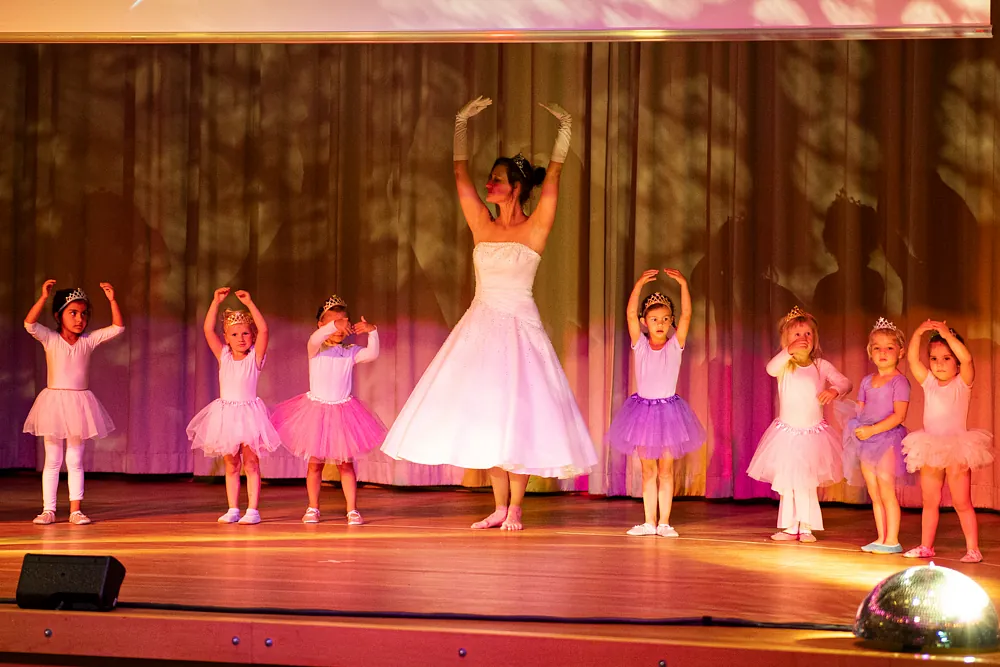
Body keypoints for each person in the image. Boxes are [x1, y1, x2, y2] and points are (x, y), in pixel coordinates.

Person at [381, 96, 597, 531]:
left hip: (520, 326)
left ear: (515, 187)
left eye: (496, 180)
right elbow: (459, 175)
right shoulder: (482, 224)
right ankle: (499, 505)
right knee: (488, 416)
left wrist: (565, 132)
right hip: (481, 327)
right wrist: (459, 124)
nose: (488, 185)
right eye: (489, 179)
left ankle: (516, 506)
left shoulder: (534, 228)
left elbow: (553, 177)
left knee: (519, 415)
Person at [606, 269, 705, 537]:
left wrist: (683, 284)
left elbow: (687, 315)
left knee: (666, 470)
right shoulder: (639, 344)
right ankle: (649, 521)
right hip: (643, 414)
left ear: (671, 322)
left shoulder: (676, 345)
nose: (659, 324)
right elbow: (628, 315)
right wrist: (638, 285)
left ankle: (664, 522)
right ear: (644, 322)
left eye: (664, 319)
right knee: (648, 470)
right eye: (653, 319)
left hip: (669, 414)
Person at [271, 295, 385, 525]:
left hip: (343, 412)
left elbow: (372, 354)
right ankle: (313, 507)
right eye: (334, 323)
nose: (340, 327)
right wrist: (335, 324)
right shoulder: (315, 348)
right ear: (321, 325)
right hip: (316, 412)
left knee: (346, 463)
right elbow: (317, 337)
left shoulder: (349, 352)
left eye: (345, 322)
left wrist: (372, 332)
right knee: (315, 463)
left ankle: (352, 509)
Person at [24, 280, 124, 525]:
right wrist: (43, 298)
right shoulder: (50, 339)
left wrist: (112, 301)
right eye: (73, 313)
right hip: (54, 403)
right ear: (59, 316)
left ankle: (76, 510)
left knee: (75, 459)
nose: (80, 319)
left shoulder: (88, 341)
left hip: (79, 403)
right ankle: (48, 509)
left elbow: (118, 328)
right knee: (53, 459)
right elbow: (29, 324)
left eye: (83, 314)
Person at [747, 306, 850, 542]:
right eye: (796, 335)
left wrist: (834, 390)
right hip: (787, 434)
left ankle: (806, 527)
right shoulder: (784, 364)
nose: (803, 339)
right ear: (786, 339)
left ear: (815, 339)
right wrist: (787, 352)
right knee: (789, 480)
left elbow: (845, 382)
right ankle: (790, 526)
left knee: (806, 480)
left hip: (812, 435)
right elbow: (770, 369)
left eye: (808, 335)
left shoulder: (820, 365)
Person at [902, 321, 993, 563]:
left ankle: (973, 548)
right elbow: (912, 361)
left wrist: (945, 334)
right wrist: (919, 332)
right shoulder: (929, 383)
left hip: (957, 448)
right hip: (931, 447)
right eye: (934, 359)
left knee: (961, 501)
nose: (939, 364)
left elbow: (968, 359)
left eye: (946, 358)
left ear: (957, 362)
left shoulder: (962, 383)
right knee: (929, 500)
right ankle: (926, 546)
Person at [187, 288, 280, 525]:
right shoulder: (224, 357)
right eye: (235, 334)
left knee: (251, 462)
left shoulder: (254, 359)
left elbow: (266, 330)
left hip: (249, 414)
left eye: (246, 333)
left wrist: (249, 303)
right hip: (226, 415)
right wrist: (215, 301)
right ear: (226, 337)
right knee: (231, 463)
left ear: (253, 336)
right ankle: (232, 508)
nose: (241, 338)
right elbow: (207, 329)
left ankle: (253, 510)